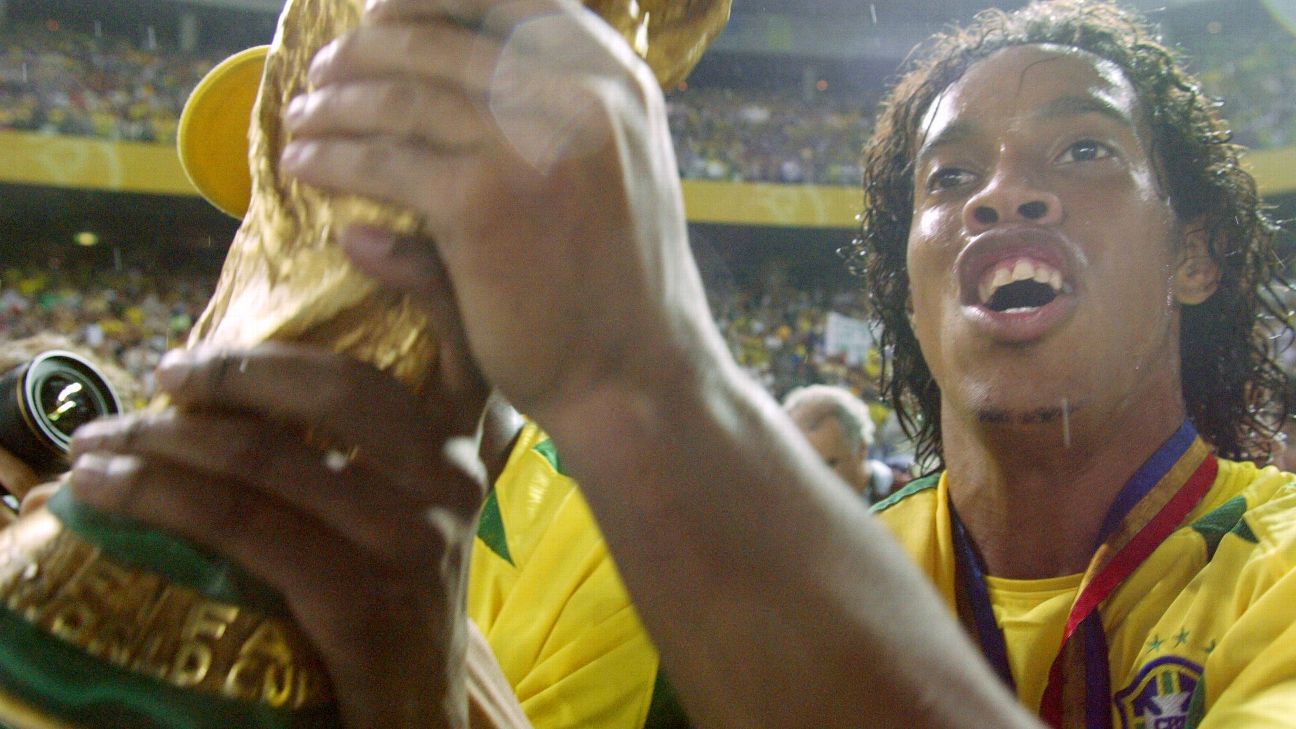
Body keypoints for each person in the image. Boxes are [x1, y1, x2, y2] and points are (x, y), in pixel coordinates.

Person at [59, 0, 1296, 727]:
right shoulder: (802, 565)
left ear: (1195, 255)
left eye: (1083, 152)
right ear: (903, 285)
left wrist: (636, 378)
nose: (998, 197)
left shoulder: (1276, 573)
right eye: (950, 177)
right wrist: (420, 686)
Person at [782, 384, 892, 501]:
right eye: (800, 469)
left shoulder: (899, 495)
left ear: (862, 448)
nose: (812, 481)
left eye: (827, 465)